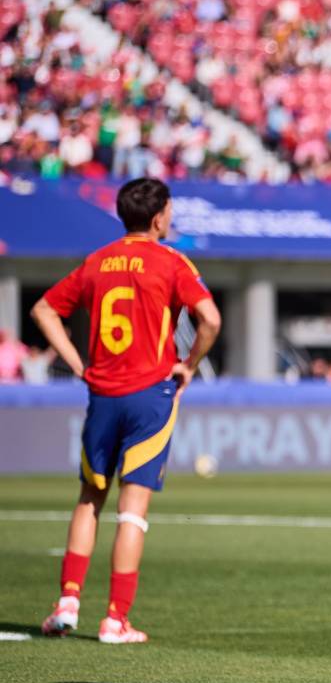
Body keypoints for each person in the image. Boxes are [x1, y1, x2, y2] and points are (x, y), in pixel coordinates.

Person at [34, 178, 221, 643]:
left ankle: (67, 603)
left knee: (88, 498)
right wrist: (190, 365)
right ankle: (116, 619)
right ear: (159, 217)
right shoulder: (172, 262)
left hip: (102, 394)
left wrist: (78, 363)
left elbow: (43, 310)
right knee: (132, 510)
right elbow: (211, 319)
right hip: (149, 397)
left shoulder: (98, 261)